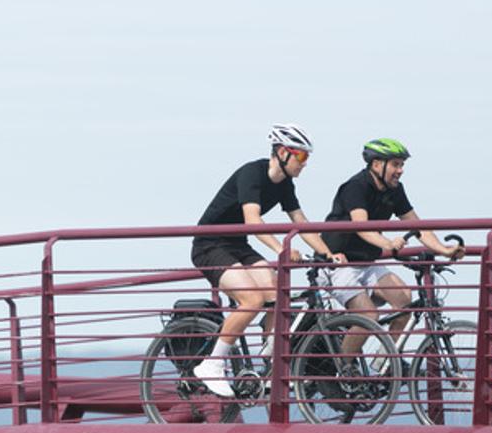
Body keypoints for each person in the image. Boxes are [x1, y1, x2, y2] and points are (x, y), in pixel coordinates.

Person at [190, 124, 345, 396]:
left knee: (277, 294)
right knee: (252, 300)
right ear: (284, 153)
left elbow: (300, 222)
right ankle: (211, 365)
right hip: (209, 244)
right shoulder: (252, 173)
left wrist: (327, 253)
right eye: (302, 157)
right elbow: (252, 220)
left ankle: (268, 359)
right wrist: (281, 250)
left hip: (237, 245)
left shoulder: (285, 185)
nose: (305, 164)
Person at [319, 137, 464, 350]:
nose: (400, 170)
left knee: (404, 300)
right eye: (395, 164)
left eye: (402, 165)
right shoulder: (355, 186)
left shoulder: (395, 190)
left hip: (367, 263)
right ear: (377, 164)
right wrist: (388, 243)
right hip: (339, 264)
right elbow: (362, 226)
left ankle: (384, 365)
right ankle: (344, 374)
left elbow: (417, 225)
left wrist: (444, 249)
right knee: (368, 316)